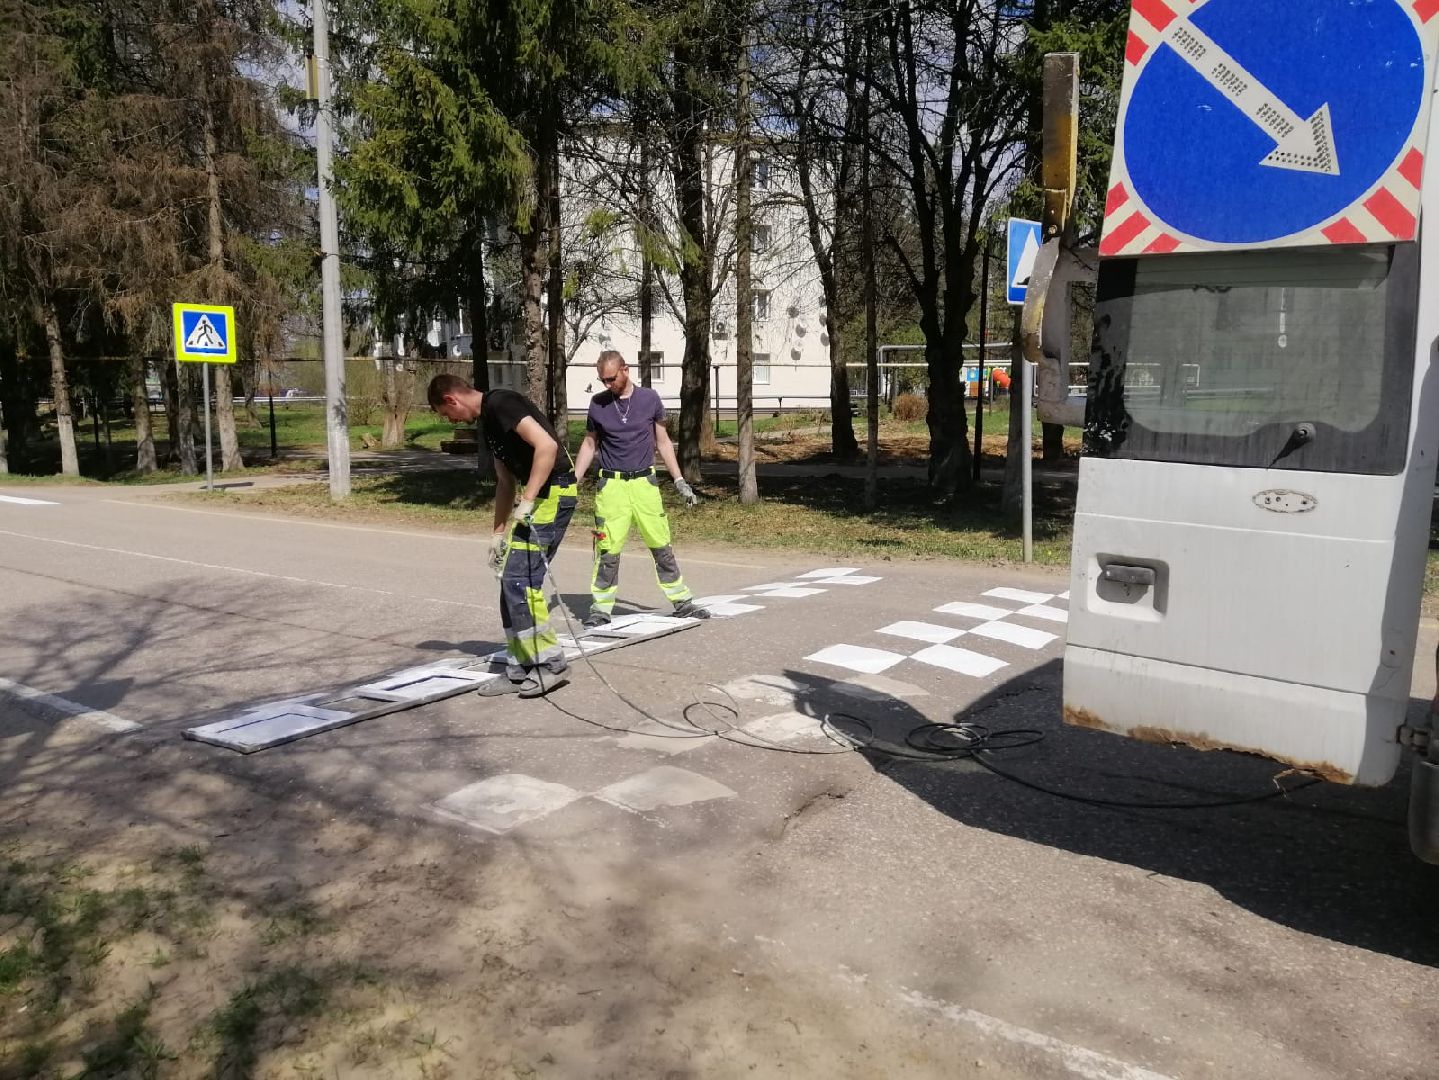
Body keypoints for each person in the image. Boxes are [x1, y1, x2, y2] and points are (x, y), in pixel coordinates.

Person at [428, 374, 577, 697]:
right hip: (537, 497)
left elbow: (547, 446)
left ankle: (550, 664)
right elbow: (505, 482)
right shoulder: (489, 423)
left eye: (445, 413)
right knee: (510, 583)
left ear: (452, 400)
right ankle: (519, 667)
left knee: (521, 581)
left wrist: (528, 500)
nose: (449, 419)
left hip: (554, 493)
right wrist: (497, 533)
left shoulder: (501, 403)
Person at [573, 351, 710, 628]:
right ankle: (601, 608)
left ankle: (681, 602)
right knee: (608, 549)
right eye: (602, 379)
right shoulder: (597, 404)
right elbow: (590, 445)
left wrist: (679, 479)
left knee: (661, 544)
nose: (607, 384)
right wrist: (573, 481)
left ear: (625, 370)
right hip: (611, 487)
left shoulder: (649, 399)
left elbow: (662, 441)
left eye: (611, 378)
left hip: (645, 484)